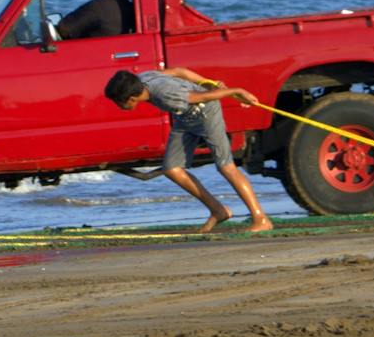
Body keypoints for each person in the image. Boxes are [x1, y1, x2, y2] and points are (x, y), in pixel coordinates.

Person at [103, 67, 273, 234]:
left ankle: (261, 219)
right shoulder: (142, 79)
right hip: (184, 118)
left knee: (225, 166)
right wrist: (205, 82)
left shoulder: (165, 94)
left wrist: (236, 91)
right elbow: (179, 71)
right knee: (171, 169)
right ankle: (218, 211)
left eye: (118, 102)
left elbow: (204, 97)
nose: (117, 106)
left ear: (131, 98)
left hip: (206, 114)